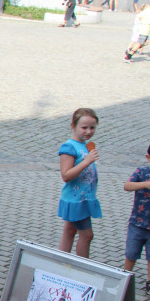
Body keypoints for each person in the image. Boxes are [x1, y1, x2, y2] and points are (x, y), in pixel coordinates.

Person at [58, 108, 101, 258]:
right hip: (76, 199)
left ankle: (60, 260)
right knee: (87, 235)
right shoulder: (69, 147)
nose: (88, 131)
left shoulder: (86, 145)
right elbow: (66, 175)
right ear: (73, 126)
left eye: (92, 127)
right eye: (84, 128)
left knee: (70, 230)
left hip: (84, 198)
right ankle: (82, 267)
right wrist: (87, 161)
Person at [123, 144, 150, 295]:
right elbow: (127, 186)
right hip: (137, 223)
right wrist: (145, 184)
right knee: (131, 253)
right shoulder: (142, 171)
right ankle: (125, 277)